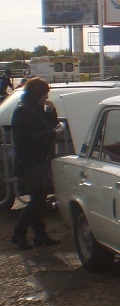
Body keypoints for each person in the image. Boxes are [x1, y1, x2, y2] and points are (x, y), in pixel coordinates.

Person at [10, 78, 63, 250]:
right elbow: (27, 138)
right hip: (30, 162)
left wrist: (51, 112)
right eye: (44, 94)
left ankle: (39, 234)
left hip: (36, 161)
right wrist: (52, 135)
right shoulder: (24, 112)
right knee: (37, 200)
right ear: (37, 94)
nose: (46, 97)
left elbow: (47, 124)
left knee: (38, 199)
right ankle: (19, 233)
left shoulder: (31, 109)